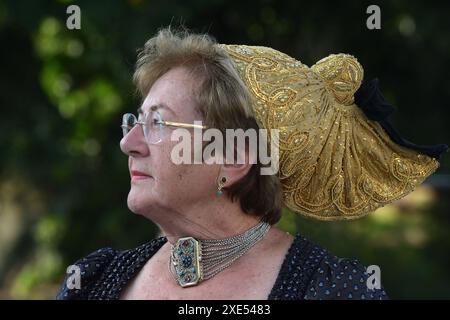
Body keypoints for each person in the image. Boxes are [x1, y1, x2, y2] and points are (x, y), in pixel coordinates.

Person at [56, 26, 447, 300]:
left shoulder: (331, 290)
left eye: (157, 122)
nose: (128, 143)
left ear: (236, 157)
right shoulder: (94, 281)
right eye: (136, 120)